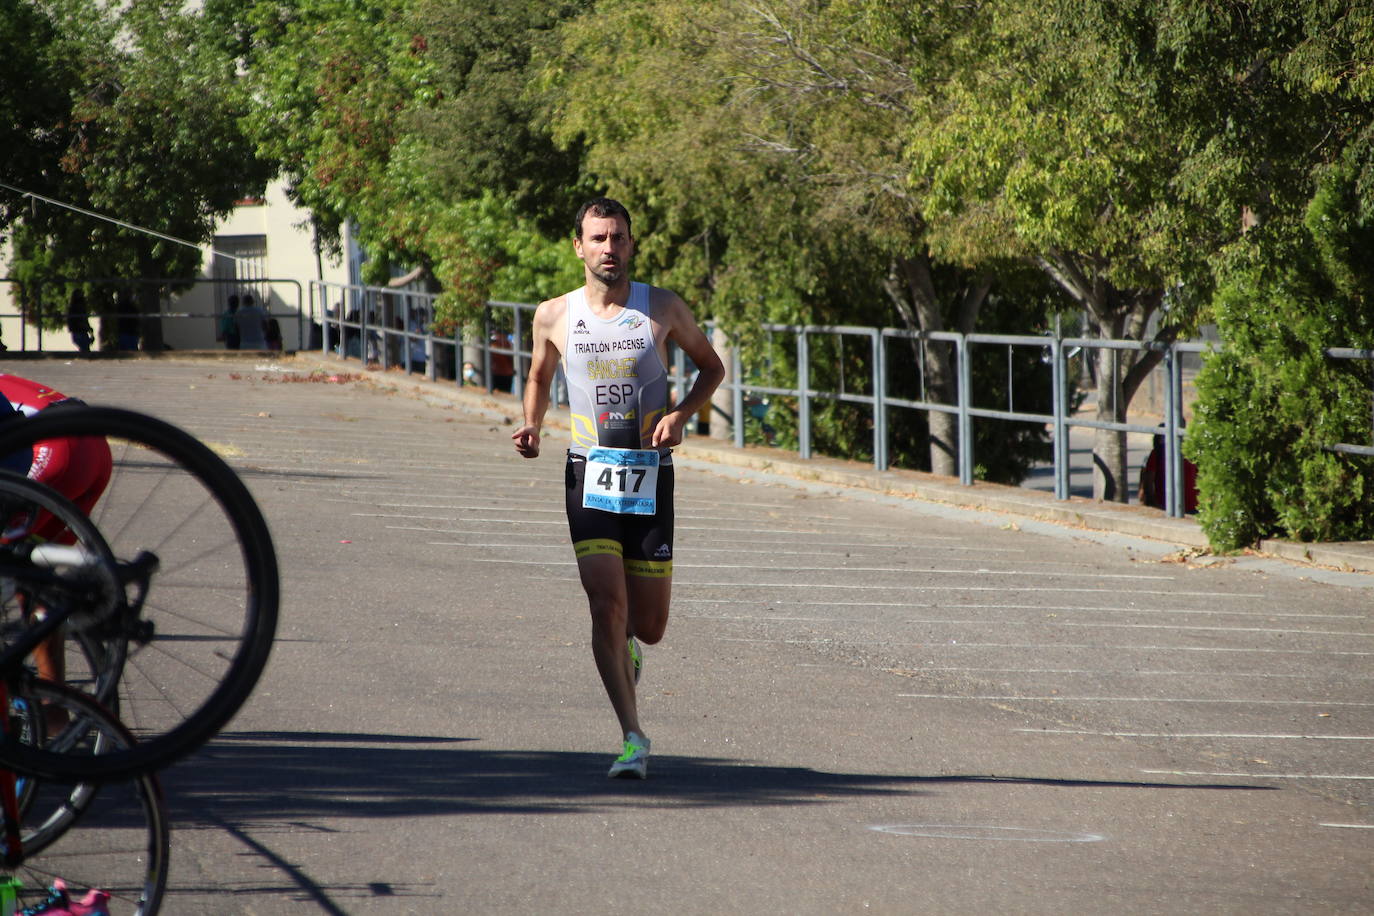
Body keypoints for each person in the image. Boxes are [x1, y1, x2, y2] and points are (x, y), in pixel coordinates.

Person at [512, 198, 724, 779]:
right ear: (578, 247)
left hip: (649, 474)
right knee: (605, 604)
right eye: (598, 238)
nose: (609, 248)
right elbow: (538, 376)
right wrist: (533, 423)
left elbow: (713, 367)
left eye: (619, 238)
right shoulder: (554, 315)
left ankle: (630, 645)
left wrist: (681, 414)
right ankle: (633, 737)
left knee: (648, 626)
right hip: (589, 474)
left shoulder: (661, 308)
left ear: (631, 245)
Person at [0, 373, 113, 693]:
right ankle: (53, 708)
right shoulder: (5, 378)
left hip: (54, 451)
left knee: (11, 568)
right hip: (94, 450)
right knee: (34, 580)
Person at [1139, 425, 1199, 513]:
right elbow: (1148, 482)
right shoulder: (1157, 454)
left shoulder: (1190, 452)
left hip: (1191, 506)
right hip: (1167, 506)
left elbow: (1200, 476)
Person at [66, 289, 93, 354]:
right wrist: (87, 327)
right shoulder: (77, 307)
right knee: (84, 348)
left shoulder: (74, 307)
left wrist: (88, 327)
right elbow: (79, 320)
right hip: (79, 331)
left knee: (84, 348)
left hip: (79, 331)